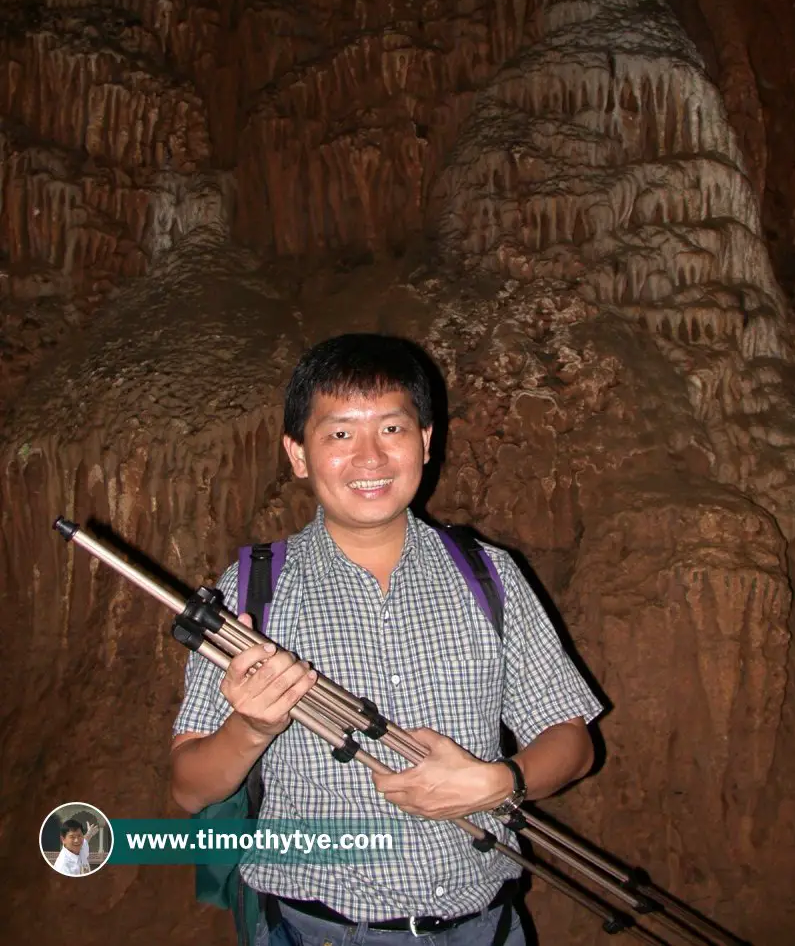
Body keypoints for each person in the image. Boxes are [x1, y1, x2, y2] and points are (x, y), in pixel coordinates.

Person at [171, 333, 603, 946]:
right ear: (299, 454)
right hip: (315, 929)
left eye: (393, 430)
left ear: (426, 442)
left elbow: (572, 740)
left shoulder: (489, 576)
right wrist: (252, 729)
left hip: (484, 927)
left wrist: (500, 781)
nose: (370, 457)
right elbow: (189, 787)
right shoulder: (251, 593)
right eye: (340, 433)